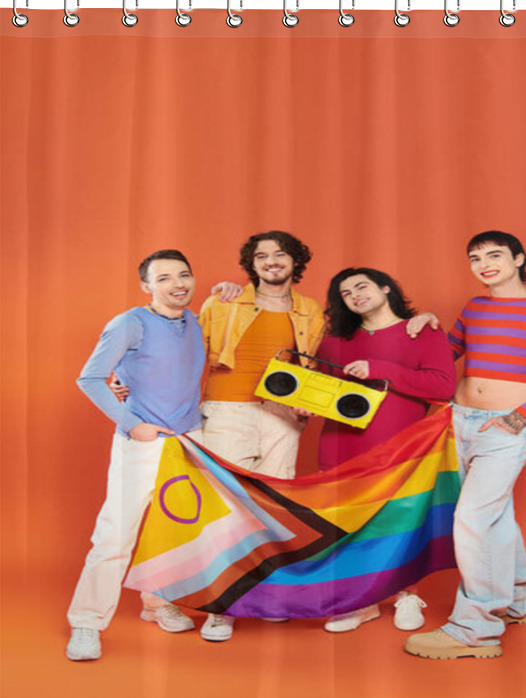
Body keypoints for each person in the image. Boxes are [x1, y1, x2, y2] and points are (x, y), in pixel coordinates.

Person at [403, 231, 526, 659]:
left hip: (505, 429)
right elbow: (446, 356)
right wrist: (428, 324)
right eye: (475, 257)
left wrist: (523, 414)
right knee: (495, 517)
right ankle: (521, 598)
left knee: (472, 519)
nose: (484, 263)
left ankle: (475, 629)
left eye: (494, 255)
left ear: (518, 258)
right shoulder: (475, 308)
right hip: (459, 420)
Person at [66, 250, 206, 661]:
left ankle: (157, 601)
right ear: (147, 286)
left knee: (175, 530)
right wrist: (132, 423)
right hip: (143, 442)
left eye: (183, 275)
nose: (177, 284)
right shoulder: (130, 322)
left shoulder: (195, 322)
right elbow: (90, 378)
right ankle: (87, 623)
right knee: (115, 535)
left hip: (189, 441)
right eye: (163, 278)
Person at [195, 231, 325, 642]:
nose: (271, 261)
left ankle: (268, 596)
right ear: (251, 265)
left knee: (273, 510)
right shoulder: (224, 300)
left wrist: (306, 403)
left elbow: (313, 367)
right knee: (227, 508)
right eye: (261, 256)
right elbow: (187, 349)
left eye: (280, 254)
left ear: (295, 261)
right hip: (227, 408)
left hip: (281, 416)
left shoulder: (310, 310)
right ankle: (221, 605)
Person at [315, 268, 457, 632]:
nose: (355, 295)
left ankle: (407, 595)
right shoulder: (333, 341)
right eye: (345, 293)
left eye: (361, 286)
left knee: (400, 522)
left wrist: (379, 369)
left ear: (385, 287)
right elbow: (322, 391)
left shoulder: (421, 330)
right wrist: (306, 402)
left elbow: (442, 387)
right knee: (346, 526)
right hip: (341, 446)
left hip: (401, 445)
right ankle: (360, 602)